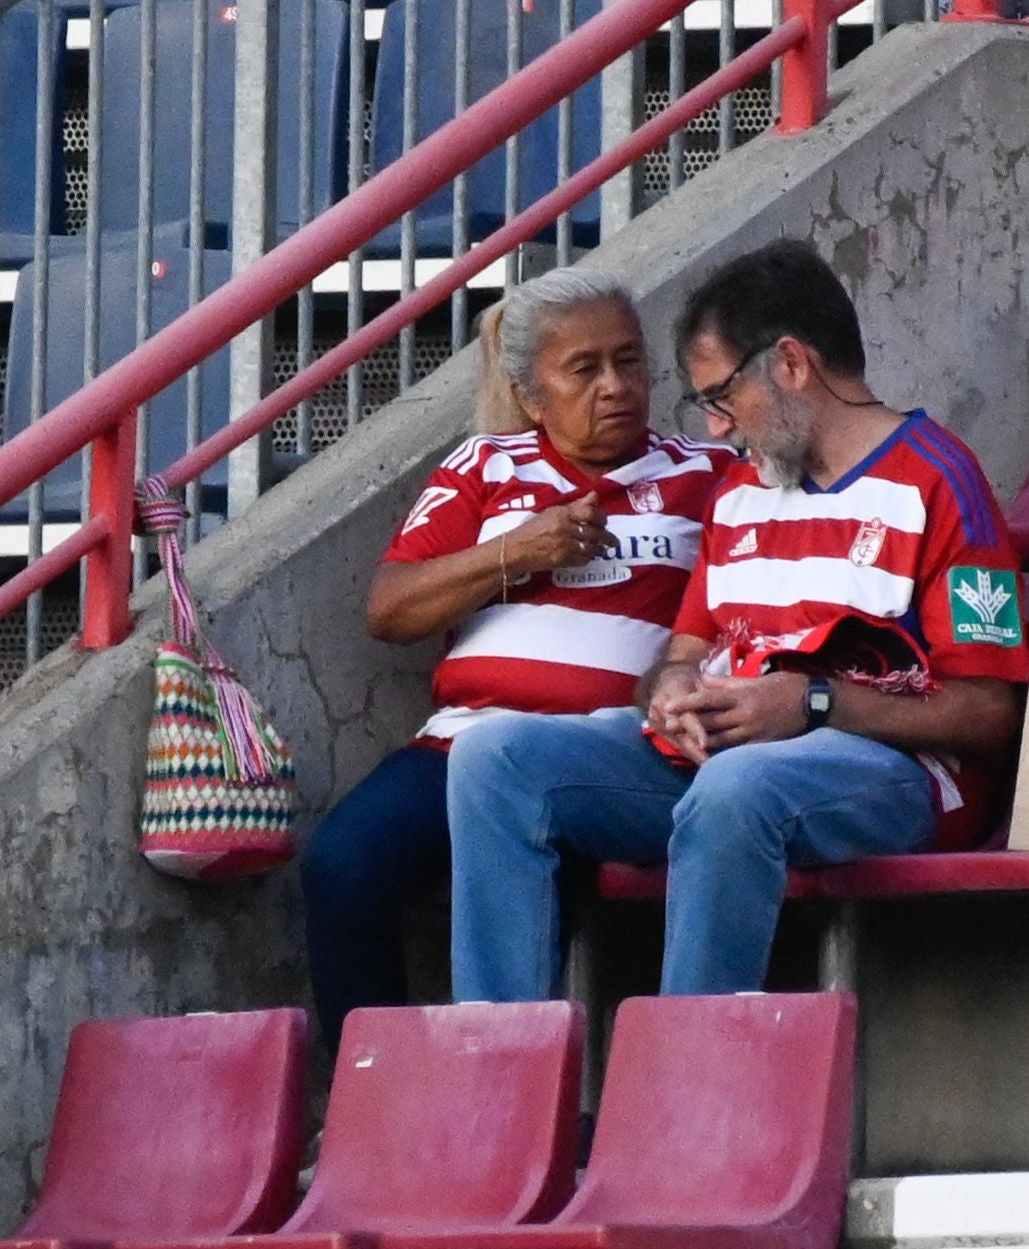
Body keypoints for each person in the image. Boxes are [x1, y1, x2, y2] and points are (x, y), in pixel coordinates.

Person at [446, 240, 1029, 1001]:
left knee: (739, 786)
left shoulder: (940, 480)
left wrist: (812, 703)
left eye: (722, 397)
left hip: (889, 776)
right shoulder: (740, 492)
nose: (717, 430)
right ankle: (502, 1080)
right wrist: (671, 692)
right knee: (494, 760)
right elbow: (681, 654)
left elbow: (992, 715)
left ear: (790, 365)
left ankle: (689, 1086)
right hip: (719, 764)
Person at [299, 268, 735, 1055]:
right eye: (585, 369)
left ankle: (519, 1107)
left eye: (629, 361)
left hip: (602, 752)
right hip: (461, 742)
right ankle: (377, 1101)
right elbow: (388, 609)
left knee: (548, 858)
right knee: (341, 865)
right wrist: (512, 551)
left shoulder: (705, 475)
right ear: (533, 395)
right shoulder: (487, 467)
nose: (615, 386)